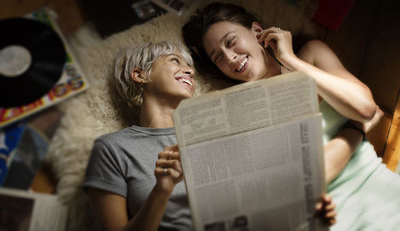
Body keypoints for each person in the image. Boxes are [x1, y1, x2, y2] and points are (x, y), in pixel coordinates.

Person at [182, 3, 400, 230]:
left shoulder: (311, 54)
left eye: (231, 42)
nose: (230, 58)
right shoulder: (239, 112)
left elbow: (365, 108)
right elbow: (303, 182)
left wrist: (290, 60)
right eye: (218, 57)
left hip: (381, 192)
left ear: (258, 32)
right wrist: (357, 129)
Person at [83, 41, 337, 231]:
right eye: (175, 61)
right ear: (140, 75)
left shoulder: (218, 132)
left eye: (190, 67)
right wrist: (161, 191)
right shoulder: (113, 148)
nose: (189, 71)